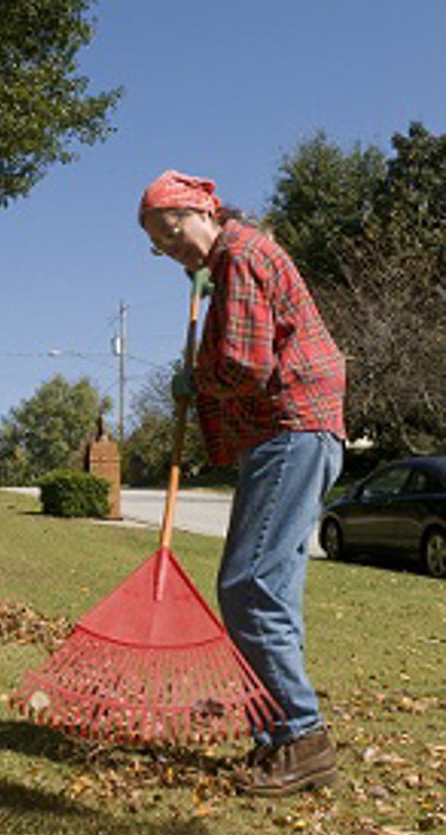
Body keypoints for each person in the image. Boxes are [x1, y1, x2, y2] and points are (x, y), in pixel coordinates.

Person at [139, 170, 346, 797]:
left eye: (172, 229)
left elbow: (245, 366)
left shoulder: (241, 255)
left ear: (205, 210)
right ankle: (281, 736)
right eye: (159, 244)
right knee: (272, 589)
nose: (170, 248)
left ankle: (302, 736)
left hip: (290, 429)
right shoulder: (231, 261)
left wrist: (195, 380)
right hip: (298, 433)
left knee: (248, 585)